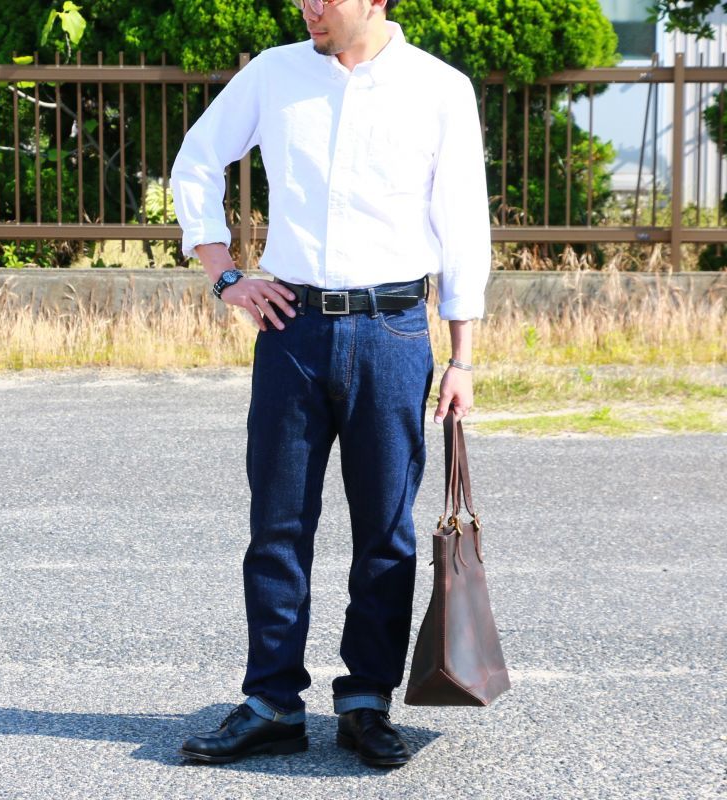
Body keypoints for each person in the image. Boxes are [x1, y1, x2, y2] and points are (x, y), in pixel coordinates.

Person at [170, 0, 491, 769]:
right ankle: (271, 703)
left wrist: (463, 357)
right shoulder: (274, 74)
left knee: (386, 532)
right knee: (277, 527)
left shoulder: (438, 87)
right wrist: (226, 276)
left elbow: (463, 223)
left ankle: (366, 702)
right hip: (293, 329)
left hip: (394, 331)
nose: (310, 7)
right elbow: (196, 160)